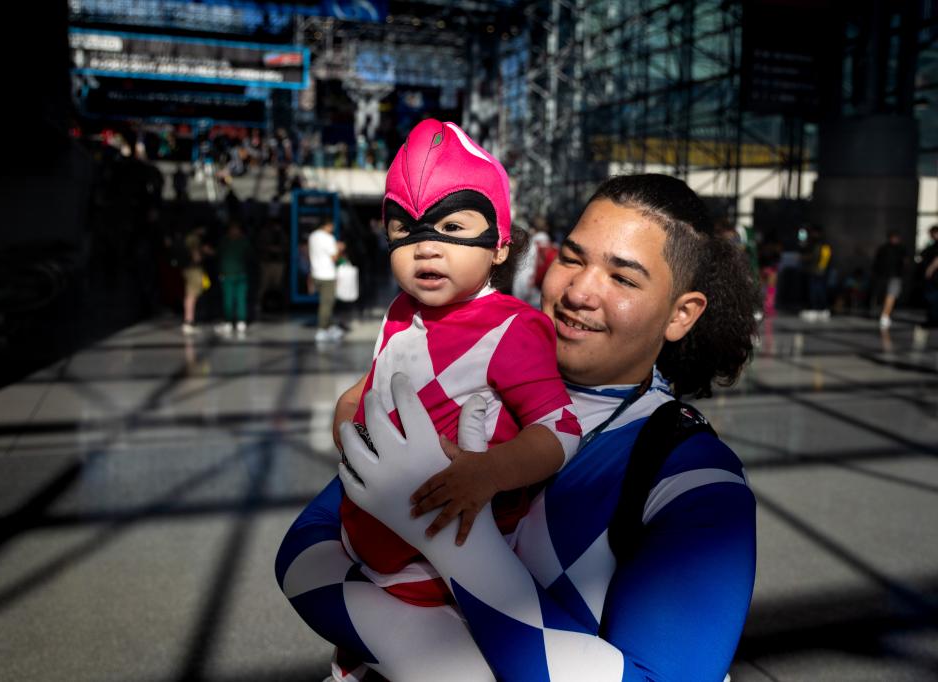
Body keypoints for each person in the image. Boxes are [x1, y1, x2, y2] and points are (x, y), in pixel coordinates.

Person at [277, 173, 759, 681]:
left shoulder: (695, 478)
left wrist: (460, 552)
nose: (579, 291)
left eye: (623, 278)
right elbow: (304, 544)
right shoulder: (473, 371)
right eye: (571, 258)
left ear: (681, 314)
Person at [332, 119, 581, 618]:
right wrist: (348, 429)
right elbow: (370, 388)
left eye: (451, 227)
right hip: (373, 543)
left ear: (500, 246)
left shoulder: (513, 327)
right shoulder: (402, 310)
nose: (425, 246)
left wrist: (484, 474)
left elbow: (560, 429)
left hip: (441, 572)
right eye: (405, 228)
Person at [308, 218, 346, 342]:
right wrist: (340, 248)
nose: (333, 228)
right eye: (332, 226)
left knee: (325, 301)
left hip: (316, 273)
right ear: (327, 225)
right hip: (327, 275)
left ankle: (329, 327)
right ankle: (322, 330)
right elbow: (334, 258)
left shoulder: (312, 236)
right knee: (327, 303)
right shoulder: (328, 238)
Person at [214, 220, 253, 338]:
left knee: (234, 299)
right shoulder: (241, 241)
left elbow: (218, 255)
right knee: (232, 299)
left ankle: (233, 322)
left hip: (234, 274)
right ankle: (236, 321)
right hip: (232, 274)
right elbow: (250, 256)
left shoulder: (228, 241)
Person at [872, 229, 907, 329]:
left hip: (893, 276)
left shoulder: (900, 249)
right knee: (888, 295)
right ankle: (885, 315)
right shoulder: (884, 248)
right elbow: (877, 262)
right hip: (886, 276)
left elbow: (905, 263)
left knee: (890, 295)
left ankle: (885, 315)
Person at [181, 225, 212, 335]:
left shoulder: (189, 238)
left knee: (192, 294)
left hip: (190, 269)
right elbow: (196, 256)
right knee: (191, 295)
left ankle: (189, 320)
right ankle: (188, 321)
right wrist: (204, 252)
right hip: (193, 269)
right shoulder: (193, 239)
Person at [917, 224, 938, 328]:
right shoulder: (933, 245)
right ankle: (932, 319)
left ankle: (933, 320)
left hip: (935, 277)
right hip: (933, 277)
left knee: (932, 298)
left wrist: (930, 270)